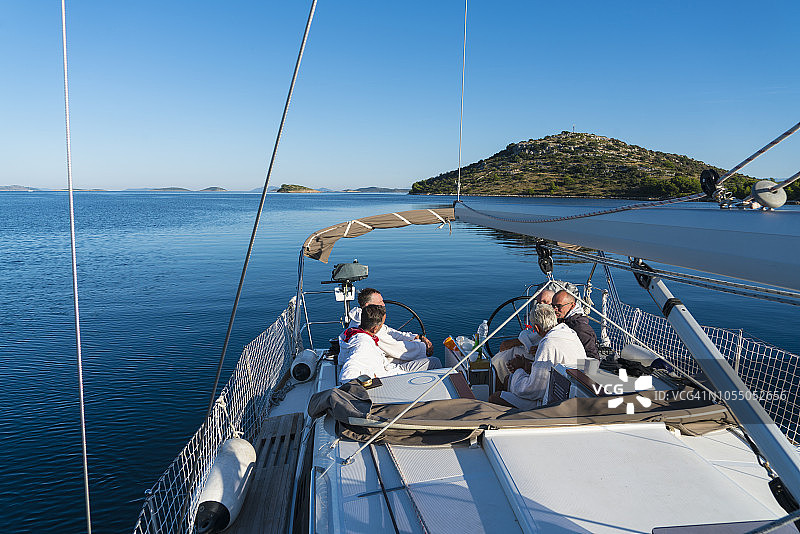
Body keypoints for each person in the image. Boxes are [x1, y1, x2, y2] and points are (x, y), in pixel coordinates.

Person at [488, 304, 585, 409]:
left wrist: (518, 369)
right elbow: (552, 368)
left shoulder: (548, 343)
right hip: (569, 393)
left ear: (537, 328)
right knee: (508, 379)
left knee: (495, 398)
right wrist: (527, 365)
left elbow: (533, 391)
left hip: (550, 404)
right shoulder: (570, 334)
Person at [349, 287, 440, 372]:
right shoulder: (369, 328)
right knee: (434, 362)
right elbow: (397, 348)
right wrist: (424, 347)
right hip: (387, 370)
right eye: (380, 302)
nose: (383, 304)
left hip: (384, 359)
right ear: (368, 305)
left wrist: (416, 337)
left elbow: (390, 332)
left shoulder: (363, 318)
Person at [491, 289, 554, 385]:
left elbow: (550, 342)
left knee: (502, 359)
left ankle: (502, 390)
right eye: (539, 302)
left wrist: (540, 349)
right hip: (534, 350)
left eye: (545, 302)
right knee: (502, 356)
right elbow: (539, 335)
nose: (541, 306)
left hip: (543, 360)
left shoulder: (563, 324)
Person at [339, 304, 404, 381]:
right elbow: (347, 374)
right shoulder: (363, 344)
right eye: (382, 325)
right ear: (375, 329)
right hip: (388, 377)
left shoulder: (353, 333)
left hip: (386, 368)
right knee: (422, 364)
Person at [551, 289, 599, 360]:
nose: (555, 309)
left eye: (559, 306)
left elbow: (593, 358)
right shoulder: (562, 319)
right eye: (553, 306)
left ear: (572, 305)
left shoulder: (580, 328)